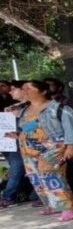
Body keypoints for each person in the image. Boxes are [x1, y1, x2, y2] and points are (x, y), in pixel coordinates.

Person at [6, 81, 73, 221]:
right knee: (35, 176)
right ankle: (51, 204)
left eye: (29, 88)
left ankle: (67, 207)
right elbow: (29, 127)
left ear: (43, 91)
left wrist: (71, 146)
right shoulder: (24, 111)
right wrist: (17, 134)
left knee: (50, 174)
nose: (25, 90)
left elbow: (71, 128)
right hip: (28, 147)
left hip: (54, 146)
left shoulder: (60, 109)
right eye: (23, 88)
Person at [0, 80, 29, 208]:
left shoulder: (34, 106)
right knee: (16, 168)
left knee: (18, 169)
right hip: (9, 142)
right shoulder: (12, 107)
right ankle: (10, 195)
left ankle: (8, 196)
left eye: (13, 89)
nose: (10, 91)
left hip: (29, 142)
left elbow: (37, 124)